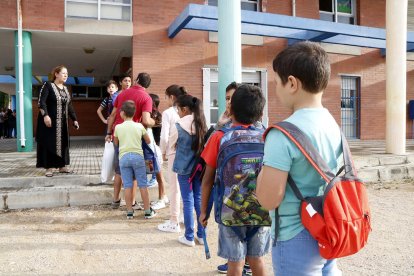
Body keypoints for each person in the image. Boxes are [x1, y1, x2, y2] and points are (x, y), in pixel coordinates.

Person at [256, 41, 343, 276]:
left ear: (292, 83)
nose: (275, 90)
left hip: (295, 236)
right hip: (329, 225)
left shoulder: (282, 134)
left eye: (276, 83)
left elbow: (268, 200)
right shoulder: (332, 123)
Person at [199, 84, 270, 276]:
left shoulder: (219, 138)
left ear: (231, 109)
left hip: (230, 212)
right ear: (260, 113)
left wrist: (204, 211)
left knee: (235, 262)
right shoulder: (267, 137)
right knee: (257, 259)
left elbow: (207, 180)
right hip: (261, 210)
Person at [105, 72, 154, 209]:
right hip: (134, 138)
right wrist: (154, 121)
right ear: (147, 85)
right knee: (132, 173)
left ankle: (115, 200)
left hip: (118, 134)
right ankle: (131, 204)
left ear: (136, 80)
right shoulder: (146, 98)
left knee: (119, 170)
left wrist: (109, 132)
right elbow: (146, 120)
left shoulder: (122, 94)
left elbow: (113, 115)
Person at [173, 94, 207, 247]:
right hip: (199, 168)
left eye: (178, 109)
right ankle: (201, 235)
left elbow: (171, 143)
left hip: (184, 168)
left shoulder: (179, 124)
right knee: (198, 199)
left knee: (187, 200)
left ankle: (188, 236)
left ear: (184, 109)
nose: (178, 112)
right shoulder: (201, 122)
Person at [113, 100, 156, 219]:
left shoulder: (118, 127)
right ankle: (147, 211)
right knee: (142, 184)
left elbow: (116, 143)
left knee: (127, 185)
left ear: (122, 113)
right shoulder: (139, 126)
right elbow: (148, 141)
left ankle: (129, 212)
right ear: (134, 113)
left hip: (124, 158)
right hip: (138, 157)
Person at [36, 65, 79, 177]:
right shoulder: (48, 85)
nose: (66, 75)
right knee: (49, 143)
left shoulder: (65, 89)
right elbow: (42, 102)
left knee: (63, 144)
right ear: (56, 74)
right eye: (63, 73)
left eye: (67, 74)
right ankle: (48, 168)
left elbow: (69, 105)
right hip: (49, 122)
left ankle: (62, 166)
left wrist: (74, 119)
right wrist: (45, 115)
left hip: (62, 123)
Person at [135, 75, 168, 210]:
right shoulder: (157, 117)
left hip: (153, 149)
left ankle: (162, 196)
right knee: (155, 171)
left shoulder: (154, 119)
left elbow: (152, 137)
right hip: (153, 149)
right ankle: (161, 195)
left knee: (157, 171)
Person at [157, 85, 187, 233]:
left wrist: (162, 151)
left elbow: (164, 136)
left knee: (174, 188)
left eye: (166, 96)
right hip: (188, 153)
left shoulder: (168, 113)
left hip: (174, 152)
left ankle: (174, 221)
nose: (165, 99)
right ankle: (184, 217)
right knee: (186, 187)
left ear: (172, 97)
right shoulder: (189, 111)